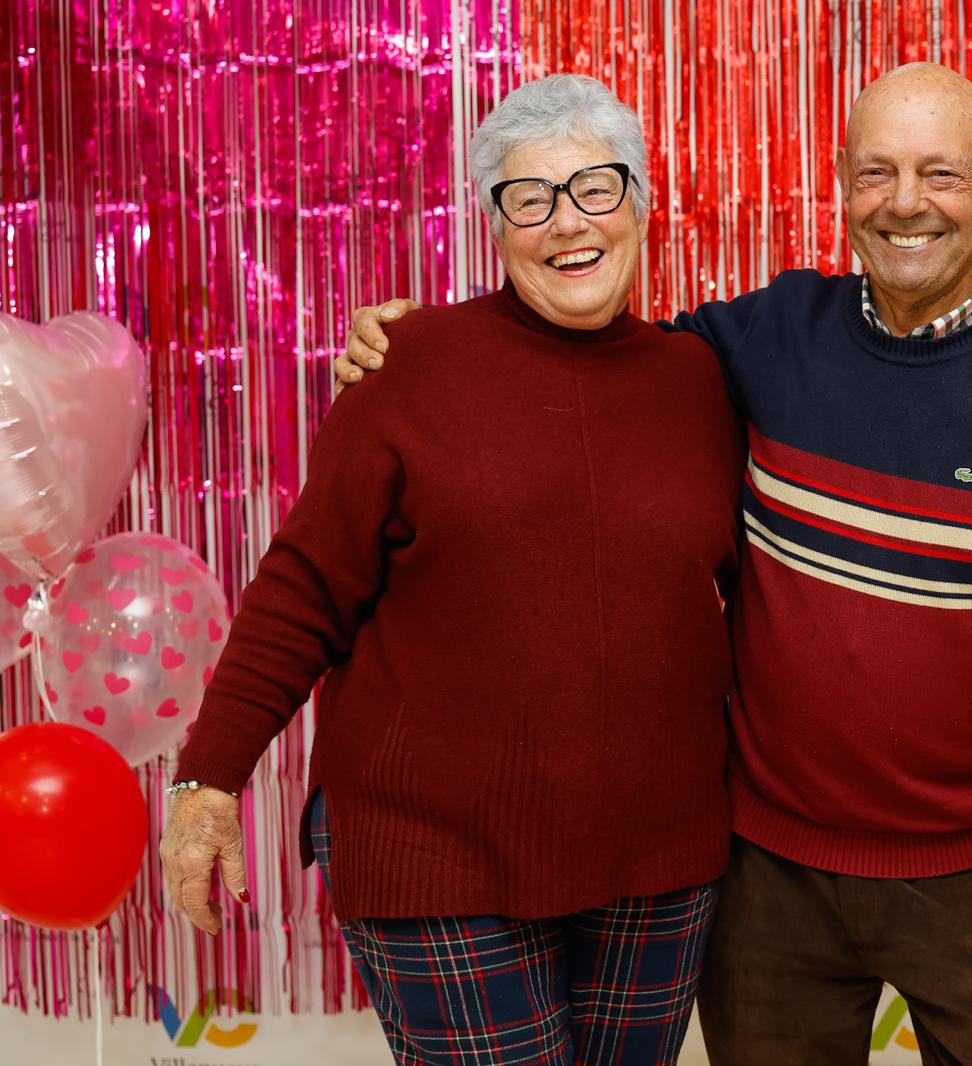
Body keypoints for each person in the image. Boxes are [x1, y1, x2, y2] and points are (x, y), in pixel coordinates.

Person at [338, 62, 972, 1065]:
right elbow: (599, 360)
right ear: (840, 182)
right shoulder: (772, 336)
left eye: (941, 174)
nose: (906, 203)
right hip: (767, 872)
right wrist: (431, 344)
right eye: (877, 172)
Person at [159, 75, 745, 1066]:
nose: (568, 222)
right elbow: (304, 585)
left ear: (642, 200)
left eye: (596, 187)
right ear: (495, 225)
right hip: (437, 857)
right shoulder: (409, 363)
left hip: (659, 861)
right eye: (530, 198)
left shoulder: (703, 380)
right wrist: (208, 783)